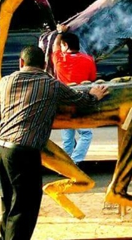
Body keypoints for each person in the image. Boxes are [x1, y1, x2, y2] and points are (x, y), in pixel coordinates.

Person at [0, 45, 108, 240]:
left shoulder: (5, 81)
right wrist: (94, 95)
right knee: (24, 207)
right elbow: (82, 102)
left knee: (8, 202)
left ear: (21, 63)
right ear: (45, 65)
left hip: (2, 148)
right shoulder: (52, 85)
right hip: (24, 151)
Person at [52, 24, 97, 166]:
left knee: (68, 136)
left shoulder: (59, 59)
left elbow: (55, 47)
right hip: (81, 101)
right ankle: (74, 161)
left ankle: (66, 164)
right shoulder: (89, 59)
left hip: (63, 102)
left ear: (65, 45)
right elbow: (92, 79)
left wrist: (60, 32)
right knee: (86, 134)